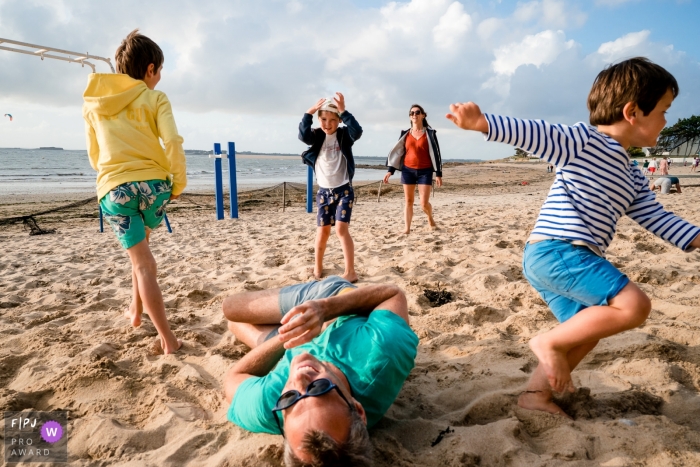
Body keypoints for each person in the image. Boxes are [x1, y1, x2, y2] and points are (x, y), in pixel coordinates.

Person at [445, 57, 700, 417]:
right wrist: (482, 123)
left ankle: (535, 396)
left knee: (585, 331)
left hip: (556, 258)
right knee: (634, 306)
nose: (666, 120)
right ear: (632, 112)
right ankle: (545, 341)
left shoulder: (634, 176)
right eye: (663, 110)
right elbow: (537, 132)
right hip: (559, 250)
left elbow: (658, 219)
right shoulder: (585, 142)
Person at [222, 278, 418, 467]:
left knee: (234, 321)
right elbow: (392, 294)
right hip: (335, 306)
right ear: (357, 409)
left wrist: (288, 338)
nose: (299, 379)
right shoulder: (382, 350)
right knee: (231, 307)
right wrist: (324, 308)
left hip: (290, 347)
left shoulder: (270, 406)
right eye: (319, 388)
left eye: (290, 399)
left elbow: (233, 378)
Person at [83, 29, 186, 354]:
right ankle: (146, 319)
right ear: (151, 68)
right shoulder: (155, 97)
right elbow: (171, 141)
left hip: (116, 190)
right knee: (143, 258)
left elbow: (94, 154)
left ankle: (154, 327)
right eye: (160, 70)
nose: (159, 77)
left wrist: (114, 178)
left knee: (141, 261)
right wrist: (178, 183)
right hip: (154, 188)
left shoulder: (93, 105)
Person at [299, 94, 362, 283]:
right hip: (324, 193)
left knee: (341, 230)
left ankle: (350, 271)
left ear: (339, 121)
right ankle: (318, 267)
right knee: (323, 231)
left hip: (343, 190)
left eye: (333, 120)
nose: (328, 124)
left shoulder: (344, 135)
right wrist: (308, 113)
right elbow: (303, 135)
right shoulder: (317, 136)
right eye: (324, 119)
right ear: (319, 120)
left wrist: (343, 111)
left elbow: (357, 131)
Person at [383, 104, 443, 234]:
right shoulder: (405, 134)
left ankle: (430, 218)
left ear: (423, 115)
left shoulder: (430, 134)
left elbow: (436, 153)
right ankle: (407, 229)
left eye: (417, 112)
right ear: (410, 117)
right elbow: (398, 153)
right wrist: (390, 171)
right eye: (411, 113)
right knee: (409, 201)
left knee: (423, 203)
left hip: (425, 171)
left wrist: (438, 173)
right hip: (408, 170)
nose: (414, 115)